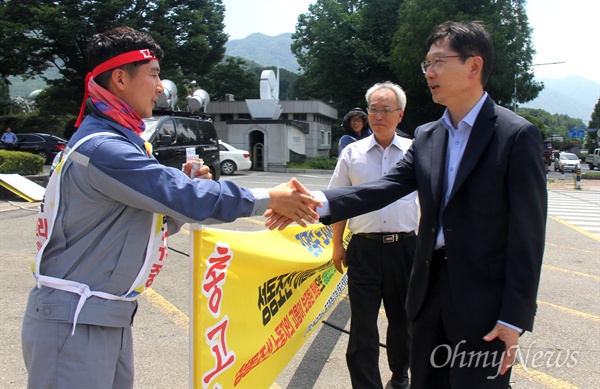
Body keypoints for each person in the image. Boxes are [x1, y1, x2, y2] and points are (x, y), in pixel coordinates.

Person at [21, 26, 320, 389]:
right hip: (75, 320)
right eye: (154, 74)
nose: (161, 87)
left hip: (100, 316)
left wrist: (185, 190)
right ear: (119, 78)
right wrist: (270, 199)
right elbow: (185, 198)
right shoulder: (104, 148)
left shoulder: (115, 141)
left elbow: (147, 222)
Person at [267, 21, 547, 388]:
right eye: (426, 65)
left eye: (438, 62)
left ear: (474, 66)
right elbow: (384, 187)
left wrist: (515, 316)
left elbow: (529, 235)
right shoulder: (429, 136)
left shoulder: (515, 135)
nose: (429, 72)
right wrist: (313, 203)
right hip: (427, 293)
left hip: (484, 302)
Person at [330, 82, 417, 389]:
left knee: (402, 321)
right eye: (373, 109)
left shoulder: (415, 152)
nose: (379, 116)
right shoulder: (352, 153)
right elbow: (337, 200)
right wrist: (336, 245)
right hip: (364, 250)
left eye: (386, 110)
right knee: (363, 326)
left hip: (406, 249)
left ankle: (400, 376)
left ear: (400, 115)